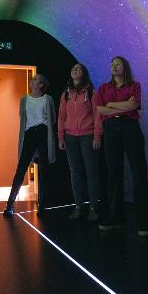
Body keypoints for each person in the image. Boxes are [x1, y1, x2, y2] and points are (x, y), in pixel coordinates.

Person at [93, 56, 148, 237]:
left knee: (139, 173)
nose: (114, 67)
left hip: (130, 127)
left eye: (118, 64)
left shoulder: (134, 85)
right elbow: (100, 110)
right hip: (110, 128)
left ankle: (145, 222)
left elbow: (134, 105)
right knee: (114, 174)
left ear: (125, 67)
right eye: (112, 64)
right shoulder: (103, 88)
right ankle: (116, 218)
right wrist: (124, 106)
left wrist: (111, 104)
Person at [3, 74, 56, 217]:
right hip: (29, 134)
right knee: (21, 169)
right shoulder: (24, 100)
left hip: (43, 133)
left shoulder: (48, 99)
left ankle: (42, 205)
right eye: (32, 79)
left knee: (44, 169)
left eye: (35, 79)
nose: (32, 81)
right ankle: (10, 205)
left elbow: (52, 119)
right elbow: (23, 118)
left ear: (41, 85)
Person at [58, 63, 99, 222]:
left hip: (87, 136)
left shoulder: (91, 92)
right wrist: (61, 137)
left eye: (79, 69)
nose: (75, 70)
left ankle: (93, 208)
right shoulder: (66, 94)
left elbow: (97, 115)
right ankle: (79, 207)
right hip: (70, 137)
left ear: (83, 72)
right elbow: (61, 116)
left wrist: (97, 136)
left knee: (91, 171)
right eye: (73, 68)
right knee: (75, 172)